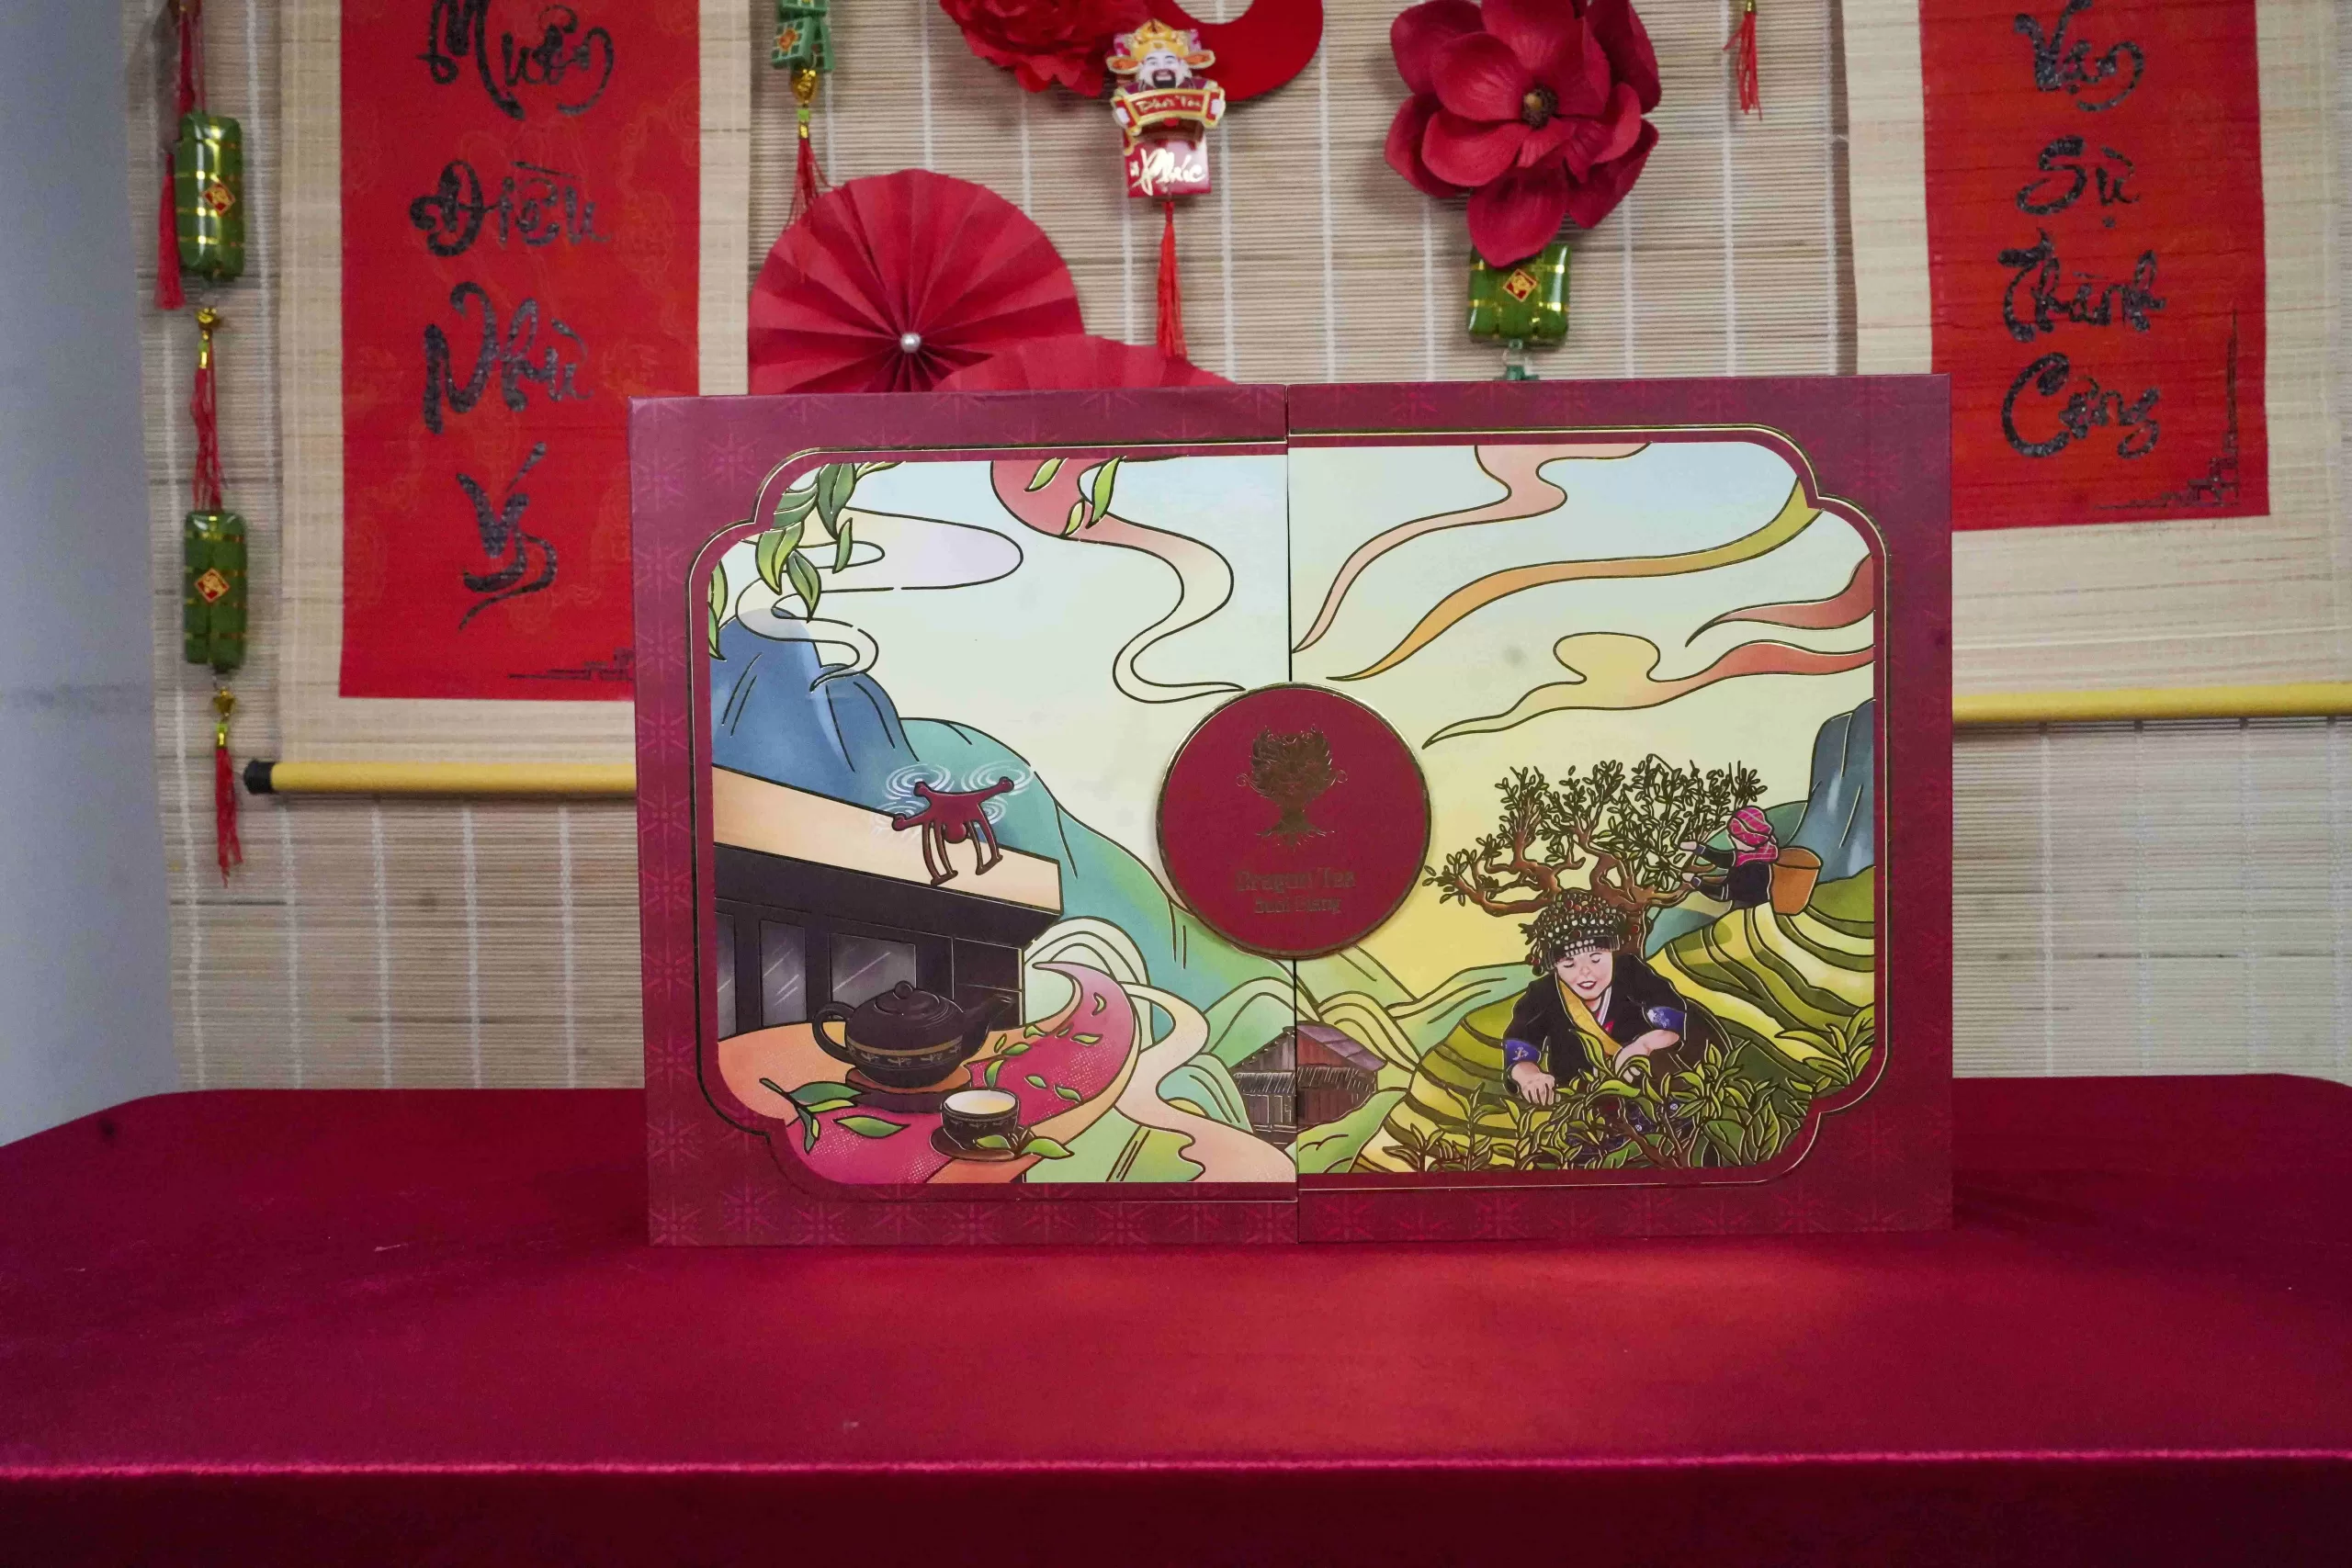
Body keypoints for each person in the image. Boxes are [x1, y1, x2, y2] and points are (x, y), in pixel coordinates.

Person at [1502, 893, 1689, 1107]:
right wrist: (1529, 1076)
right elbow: (1520, 1042)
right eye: (1569, 964)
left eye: (1596, 958)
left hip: (1646, 1096)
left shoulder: (1630, 972)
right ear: (1555, 967)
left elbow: (1672, 1015)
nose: (1585, 973)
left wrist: (1644, 1045)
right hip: (1579, 1106)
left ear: (1611, 953)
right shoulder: (1543, 993)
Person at [1682, 805, 1779, 909]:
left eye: (1735, 837)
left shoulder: (1753, 870)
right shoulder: (1752, 855)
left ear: (1747, 840)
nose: (1730, 837)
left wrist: (1695, 881)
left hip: (1749, 911)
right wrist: (1697, 848)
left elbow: (1724, 893)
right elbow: (1723, 860)